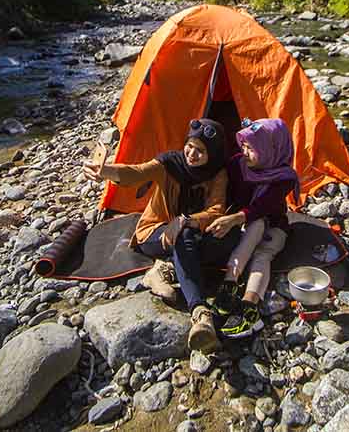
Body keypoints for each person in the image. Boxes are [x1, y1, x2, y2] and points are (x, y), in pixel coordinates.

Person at [83, 117, 241, 351]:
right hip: (155, 232)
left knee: (229, 236)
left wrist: (185, 220)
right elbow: (136, 173)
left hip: (189, 229)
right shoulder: (169, 163)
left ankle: (162, 269)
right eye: (190, 145)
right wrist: (105, 171)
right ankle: (199, 312)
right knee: (185, 239)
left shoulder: (218, 173)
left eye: (200, 151)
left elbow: (216, 210)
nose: (192, 154)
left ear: (213, 154)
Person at [208, 117, 299, 339]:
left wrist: (232, 219)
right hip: (247, 226)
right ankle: (230, 285)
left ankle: (249, 307)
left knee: (262, 254)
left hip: (273, 225)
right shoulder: (238, 164)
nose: (245, 151)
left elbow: (262, 207)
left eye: (252, 148)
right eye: (244, 146)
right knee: (255, 226)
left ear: (271, 149)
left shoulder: (283, 177)